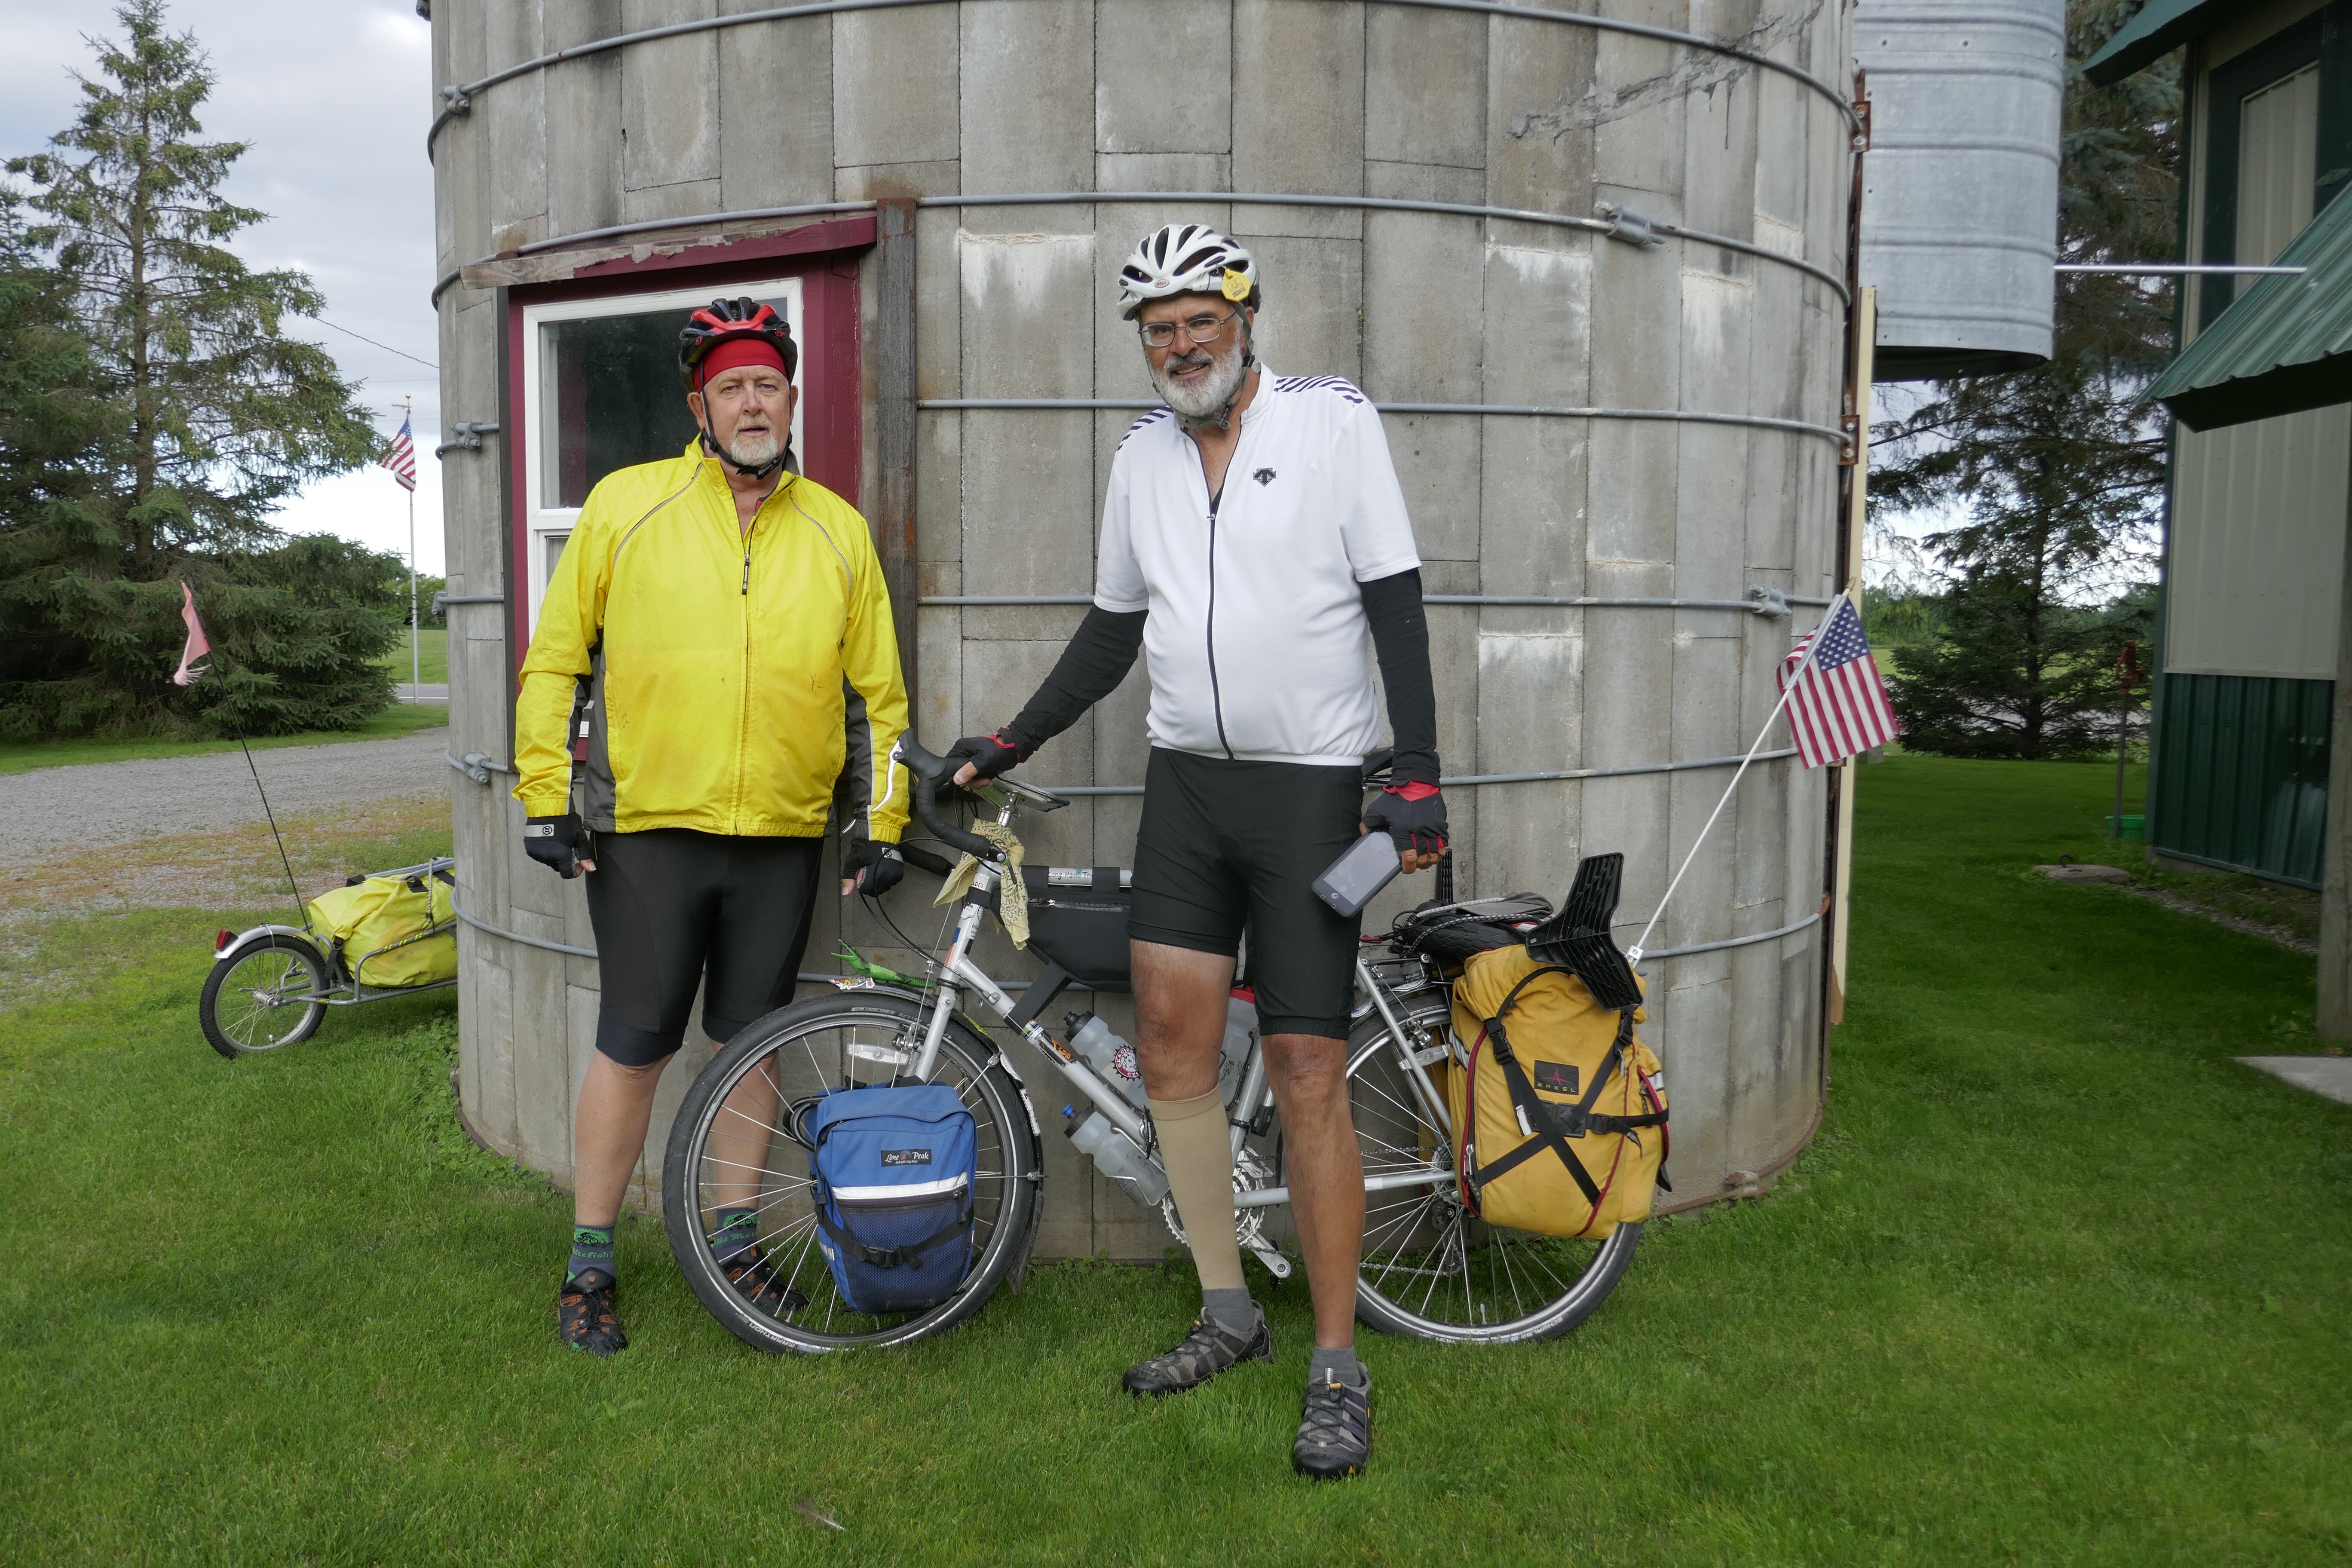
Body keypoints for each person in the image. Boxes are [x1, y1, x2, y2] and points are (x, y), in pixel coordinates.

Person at [949, 225, 1447, 1478]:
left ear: (1244, 318)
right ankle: (1229, 1310)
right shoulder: (1142, 458)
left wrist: (1419, 772)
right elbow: (1112, 633)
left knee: (1306, 1068)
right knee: (1173, 1045)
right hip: (1186, 791)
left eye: (1199, 323)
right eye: (1159, 330)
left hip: (1309, 792)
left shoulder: (1332, 423)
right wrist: (1009, 739)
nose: (1181, 346)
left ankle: (1337, 1362)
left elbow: (1395, 602)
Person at [512, 298, 910, 1357]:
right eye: (731, 387)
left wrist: (880, 822)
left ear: (792, 401)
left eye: (768, 385)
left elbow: (878, 697)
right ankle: (589, 1261)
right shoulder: (626, 504)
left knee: (750, 1047)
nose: (752, 403)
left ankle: (736, 1245)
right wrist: (545, 794)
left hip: (781, 835)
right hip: (650, 831)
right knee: (635, 1045)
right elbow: (556, 660)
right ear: (699, 406)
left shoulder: (836, 529)